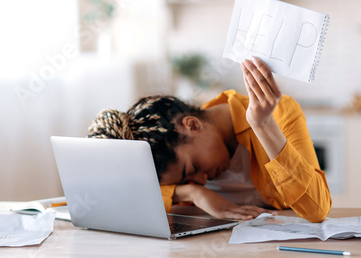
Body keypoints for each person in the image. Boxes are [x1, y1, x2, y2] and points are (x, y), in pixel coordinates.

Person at [88, 57, 331, 222]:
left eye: (193, 168)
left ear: (192, 125)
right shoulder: (189, 179)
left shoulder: (278, 112)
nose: (201, 181)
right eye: (189, 180)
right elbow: (117, 197)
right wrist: (191, 194)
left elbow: (317, 209)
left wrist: (263, 125)